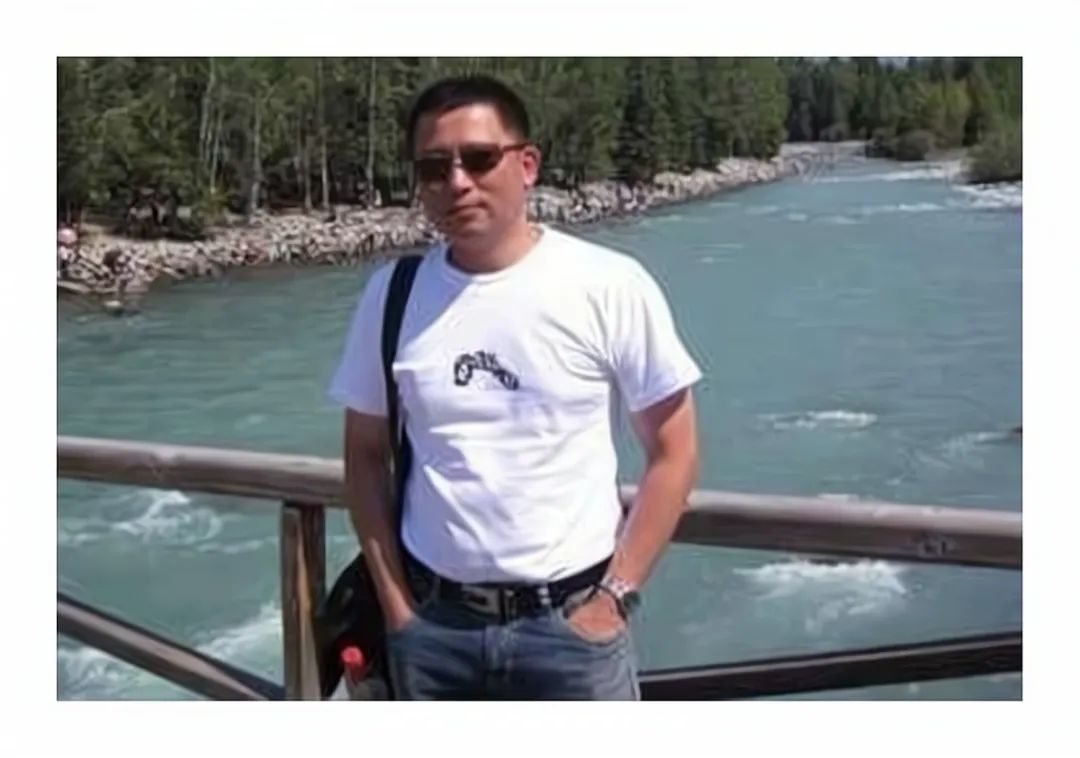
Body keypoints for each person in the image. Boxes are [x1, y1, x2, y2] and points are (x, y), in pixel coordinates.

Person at [328, 75, 702, 700]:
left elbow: (675, 451)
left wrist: (612, 600)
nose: (457, 182)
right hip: (432, 628)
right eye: (433, 167)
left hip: (573, 627)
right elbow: (364, 455)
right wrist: (397, 607)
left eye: (478, 159)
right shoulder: (391, 296)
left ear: (527, 165)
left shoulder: (609, 285)